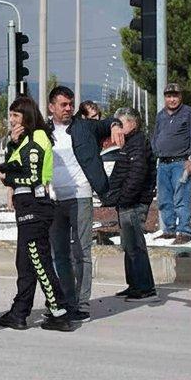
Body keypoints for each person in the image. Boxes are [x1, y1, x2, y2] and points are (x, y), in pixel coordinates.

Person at [0, 96, 75, 332]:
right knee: (25, 263)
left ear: (27, 116)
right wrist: (10, 147)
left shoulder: (37, 137)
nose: (11, 120)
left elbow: (33, 177)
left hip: (36, 205)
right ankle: (19, 312)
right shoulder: (24, 139)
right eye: (10, 115)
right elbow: (16, 164)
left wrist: (5, 176)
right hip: (26, 205)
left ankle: (59, 312)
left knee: (39, 260)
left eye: (16, 115)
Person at [46, 86, 125, 320]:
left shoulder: (84, 127)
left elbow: (108, 122)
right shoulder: (43, 131)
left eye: (71, 104)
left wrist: (115, 125)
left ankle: (81, 304)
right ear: (51, 107)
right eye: (63, 104)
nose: (68, 108)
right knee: (59, 252)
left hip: (80, 195)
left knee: (81, 251)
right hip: (53, 199)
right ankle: (65, 300)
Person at [102, 108, 158, 301]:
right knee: (128, 245)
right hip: (127, 202)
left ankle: (145, 288)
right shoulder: (128, 143)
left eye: (121, 123)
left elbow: (136, 174)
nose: (117, 127)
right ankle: (134, 285)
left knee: (135, 245)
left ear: (132, 123)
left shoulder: (137, 143)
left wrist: (124, 198)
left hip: (134, 203)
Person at [151, 83, 191, 244]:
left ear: (181, 97)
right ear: (165, 98)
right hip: (163, 164)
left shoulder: (188, 113)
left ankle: (184, 231)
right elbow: (155, 135)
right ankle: (169, 230)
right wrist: (156, 149)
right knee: (164, 199)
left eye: (175, 96)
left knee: (181, 198)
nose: (172, 99)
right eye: (169, 96)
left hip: (181, 163)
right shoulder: (160, 115)